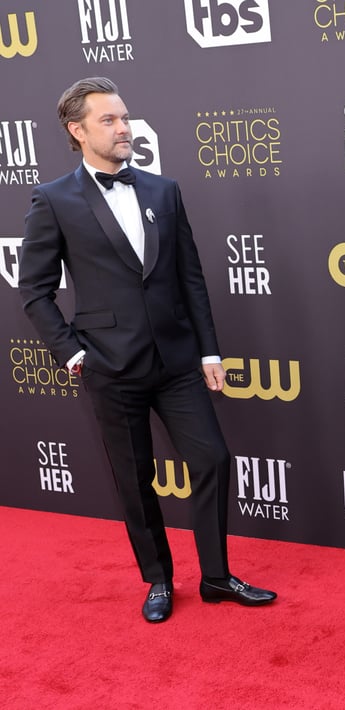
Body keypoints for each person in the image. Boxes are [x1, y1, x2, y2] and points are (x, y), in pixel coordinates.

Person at [19, 77, 276, 623]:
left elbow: (192, 278)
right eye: (109, 120)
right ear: (77, 130)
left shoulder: (164, 190)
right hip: (109, 366)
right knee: (135, 479)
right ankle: (158, 579)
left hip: (179, 360)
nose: (123, 128)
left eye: (124, 117)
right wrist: (73, 353)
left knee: (212, 459)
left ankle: (215, 576)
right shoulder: (55, 200)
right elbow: (34, 291)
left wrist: (209, 352)